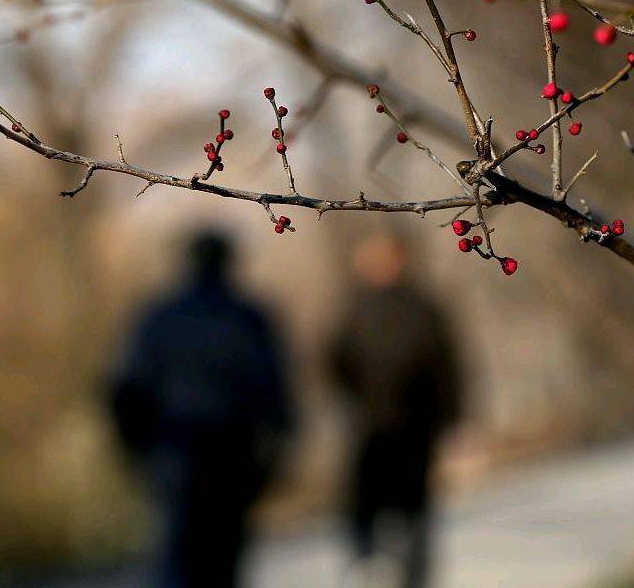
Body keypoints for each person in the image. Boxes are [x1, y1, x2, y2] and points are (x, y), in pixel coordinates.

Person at [109, 230, 296, 588]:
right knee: (224, 561)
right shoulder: (249, 319)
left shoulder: (158, 318)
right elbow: (275, 394)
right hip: (233, 458)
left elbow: (125, 393)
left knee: (177, 559)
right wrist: (272, 458)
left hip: (174, 460)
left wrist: (138, 453)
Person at [330, 233, 464, 588]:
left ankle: (410, 575)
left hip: (414, 428)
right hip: (373, 427)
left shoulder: (421, 308)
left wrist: (452, 422)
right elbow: (334, 363)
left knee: (412, 510)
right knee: (366, 506)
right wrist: (357, 399)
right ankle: (367, 567)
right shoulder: (356, 310)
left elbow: (446, 368)